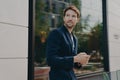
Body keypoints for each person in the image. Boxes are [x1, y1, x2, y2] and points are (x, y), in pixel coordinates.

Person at [46, 5, 90, 80]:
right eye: (67, 15)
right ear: (64, 18)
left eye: (73, 16)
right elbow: (50, 60)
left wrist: (80, 62)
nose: (70, 18)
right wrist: (75, 59)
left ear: (77, 20)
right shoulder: (56, 33)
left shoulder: (75, 38)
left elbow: (71, 62)